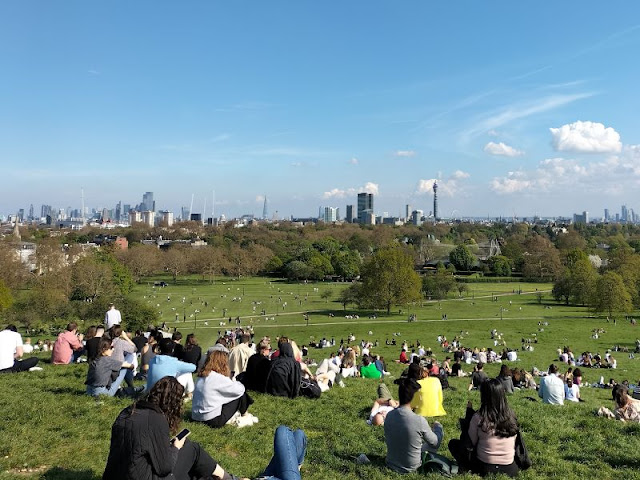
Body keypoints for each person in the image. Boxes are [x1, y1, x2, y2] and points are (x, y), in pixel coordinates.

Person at [449, 379, 520, 477]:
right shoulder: (511, 416)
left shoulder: (479, 417)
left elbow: (469, 444)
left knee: (453, 443)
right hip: (510, 468)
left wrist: (469, 415)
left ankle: (464, 468)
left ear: (484, 396)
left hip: (485, 468)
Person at [384, 377, 444, 474]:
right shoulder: (419, 420)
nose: (421, 398)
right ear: (414, 397)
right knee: (434, 441)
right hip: (411, 468)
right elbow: (435, 443)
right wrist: (438, 428)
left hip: (390, 463)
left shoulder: (389, 415)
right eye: (419, 395)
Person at [191, 350, 257, 428]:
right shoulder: (218, 378)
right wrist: (233, 380)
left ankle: (244, 413)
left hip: (196, 416)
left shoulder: (200, 377)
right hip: (213, 420)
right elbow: (240, 389)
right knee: (240, 394)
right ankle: (245, 415)